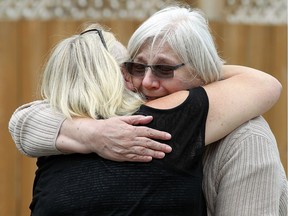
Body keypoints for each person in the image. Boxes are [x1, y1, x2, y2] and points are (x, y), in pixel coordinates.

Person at [9, 5, 287, 216]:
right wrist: (93, 134)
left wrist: (208, 70)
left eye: (165, 69)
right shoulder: (113, 124)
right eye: (136, 68)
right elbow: (24, 120)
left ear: (202, 73)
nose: (146, 82)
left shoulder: (246, 138)